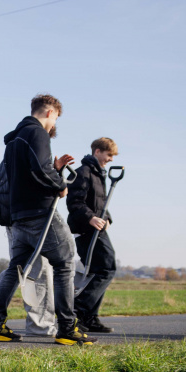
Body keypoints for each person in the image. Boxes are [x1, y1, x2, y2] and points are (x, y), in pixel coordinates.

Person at [0, 94, 95, 346]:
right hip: (40, 213)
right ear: (50, 112)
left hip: (18, 217)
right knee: (65, 262)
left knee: (16, 269)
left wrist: (52, 168)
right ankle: (67, 327)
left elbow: (27, 174)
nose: (54, 123)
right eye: (56, 117)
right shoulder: (37, 133)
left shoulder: (14, 140)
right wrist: (59, 184)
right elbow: (41, 171)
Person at [67, 137, 119, 333]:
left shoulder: (99, 174)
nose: (111, 159)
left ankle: (90, 317)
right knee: (107, 267)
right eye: (109, 154)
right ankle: (79, 309)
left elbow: (100, 203)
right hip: (86, 229)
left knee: (98, 272)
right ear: (97, 151)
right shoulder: (84, 173)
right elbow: (74, 202)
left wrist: (107, 219)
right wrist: (90, 218)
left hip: (97, 228)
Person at [0, 250, 56, 337]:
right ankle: (40, 326)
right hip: (38, 233)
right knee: (39, 269)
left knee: (18, 266)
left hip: (17, 234)